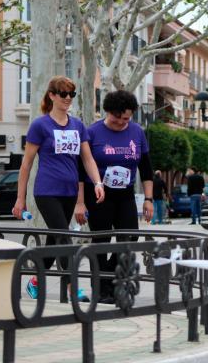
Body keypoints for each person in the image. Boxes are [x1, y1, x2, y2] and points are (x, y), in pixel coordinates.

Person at [12, 75, 105, 302]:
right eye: (63, 94)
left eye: (71, 94)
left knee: (55, 241)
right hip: (46, 191)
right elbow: (26, 165)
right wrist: (19, 199)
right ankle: (74, 289)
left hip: (69, 192)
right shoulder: (40, 125)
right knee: (64, 239)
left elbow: (88, 159)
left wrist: (98, 182)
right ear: (52, 96)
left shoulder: (78, 125)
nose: (67, 98)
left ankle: (35, 281)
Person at [74, 90, 154, 304]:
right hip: (98, 193)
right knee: (101, 241)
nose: (120, 122)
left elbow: (146, 168)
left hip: (125, 193)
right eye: (115, 117)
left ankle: (110, 281)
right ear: (107, 112)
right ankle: (100, 290)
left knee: (130, 237)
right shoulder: (92, 132)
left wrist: (148, 199)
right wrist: (80, 203)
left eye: (125, 118)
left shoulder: (137, 132)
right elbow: (80, 171)